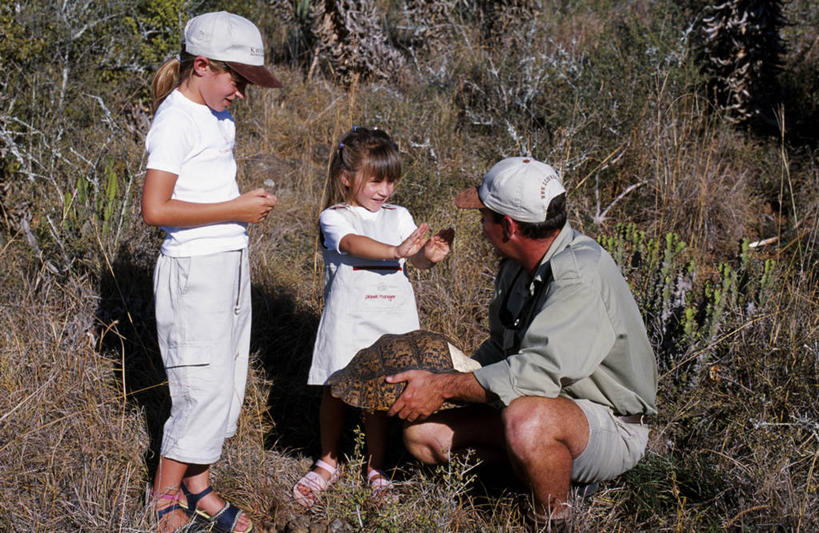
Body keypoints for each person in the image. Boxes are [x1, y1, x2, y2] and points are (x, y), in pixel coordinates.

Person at [386, 157, 657, 530]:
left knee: (527, 421)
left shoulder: (578, 276)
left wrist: (443, 388)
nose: (481, 226)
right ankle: (551, 475)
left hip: (610, 422)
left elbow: (533, 375)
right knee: (422, 437)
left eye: (484, 216)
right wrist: (448, 375)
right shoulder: (519, 262)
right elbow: (502, 348)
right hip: (542, 405)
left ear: (508, 227)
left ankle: (552, 520)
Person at [142, 11, 282, 533]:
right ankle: (164, 497)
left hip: (227, 264)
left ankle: (197, 485)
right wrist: (235, 209)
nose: (242, 92)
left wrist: (239, 210)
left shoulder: (217, 116)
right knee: (199, 387)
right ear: (202, 65)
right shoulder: (175, 120)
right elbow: (155, 210)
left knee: (224, 383)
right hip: (193, 272)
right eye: (238, 80)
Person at [293, 126, 454, 507]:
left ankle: (375, 467)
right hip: (348, 320)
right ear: (347, 178)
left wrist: (426, 257)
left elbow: (410, 258)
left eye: (391, 182)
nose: (384, 190)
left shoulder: (399, 215)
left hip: (390, 320)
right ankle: (328, 462)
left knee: (379, 395)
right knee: (336, 391)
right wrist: (396, 248)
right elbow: (352, 245)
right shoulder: (334, 217)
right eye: (376, 181)